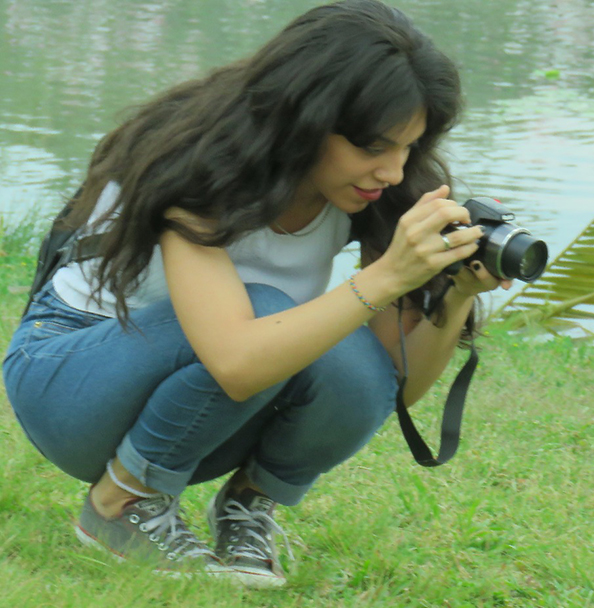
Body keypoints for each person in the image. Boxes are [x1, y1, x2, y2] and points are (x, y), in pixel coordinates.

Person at [2, 0, 510, 589]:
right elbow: (238, 363)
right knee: (267, 311)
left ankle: (249, 505)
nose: (394, 171)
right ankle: (120, 504)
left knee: (352, 360)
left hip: (200, 403)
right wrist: (387, 277)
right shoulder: (194, 165)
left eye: (408, 148)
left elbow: (389, 387)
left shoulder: (378, 193)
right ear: (306, 119)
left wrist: (454, 300)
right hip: (69, 379)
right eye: (374, 147)